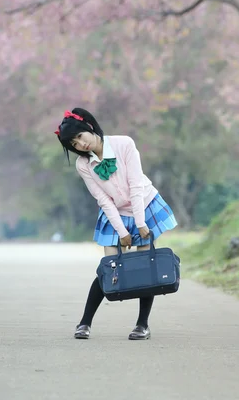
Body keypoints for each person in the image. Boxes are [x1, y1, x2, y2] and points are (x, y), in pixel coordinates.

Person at [54, 107, 177, 340]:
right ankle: (84, 323)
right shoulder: (83, 164)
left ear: (88, 127)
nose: (81, 145)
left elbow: (136, 185)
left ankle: (142, 325)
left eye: (80, 136)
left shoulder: (124, 144)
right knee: (109, 266)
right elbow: (103, 199)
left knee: (144, 265)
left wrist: (140, 223)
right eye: (74, 144)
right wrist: (122, 231)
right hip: (114, 213)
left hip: (144, 205)